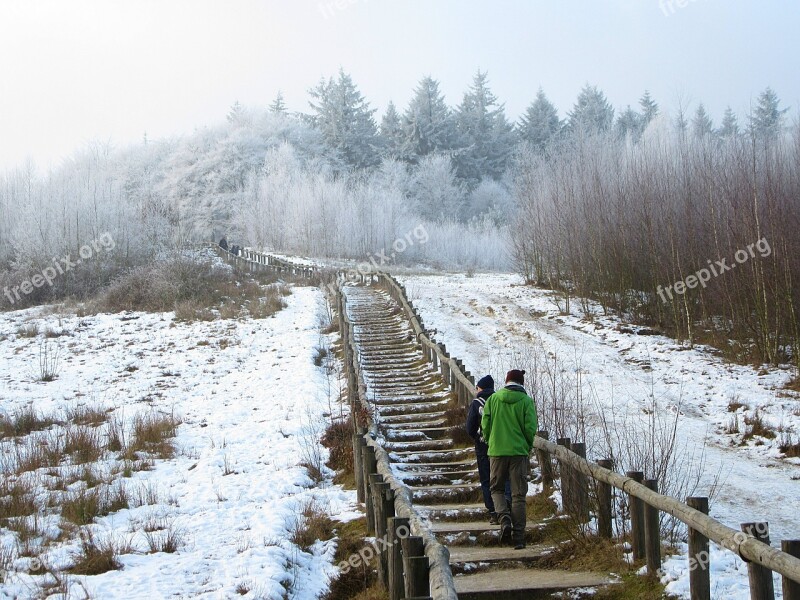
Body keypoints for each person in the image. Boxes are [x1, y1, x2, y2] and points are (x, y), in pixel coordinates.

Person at [481, 369, 537, 550]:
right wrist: (526, 446)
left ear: (506, 381)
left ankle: (504, 519)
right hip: (518, 453)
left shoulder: (493, 399)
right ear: (521, 383)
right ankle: (519, 537)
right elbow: (530, 428)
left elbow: (485, 425)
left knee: (496, 488)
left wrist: (491, 442)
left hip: (497, 451)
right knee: (518, 494)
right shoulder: (527, 402)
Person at [466, 375, 511, 524]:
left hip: (483, 446)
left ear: (481, 388)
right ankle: (506, 509)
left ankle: (493, 512)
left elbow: (469, 427)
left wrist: (478, 438)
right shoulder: (500, 401)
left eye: (478, 387)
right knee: (503, 477)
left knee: (487, 479)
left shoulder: (476, 403)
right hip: (501, 445)